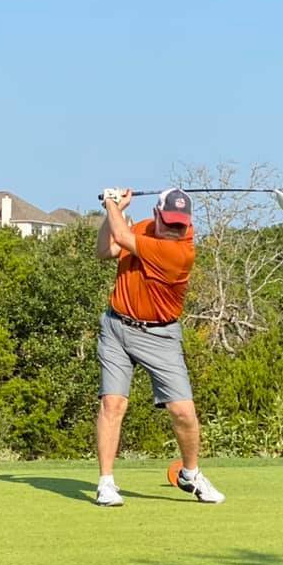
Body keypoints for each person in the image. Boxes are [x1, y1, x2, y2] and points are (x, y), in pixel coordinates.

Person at [93, 187, 225, 507]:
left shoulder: (180, 251)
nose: (175, 229)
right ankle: (106, 483)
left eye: (180, 224)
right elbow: (105, 250)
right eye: (170, 222)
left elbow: (122, 237)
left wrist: (112, 203)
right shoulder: (140, 229)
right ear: (157, 214)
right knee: (112, 404)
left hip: (160, 336)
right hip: (116, 327)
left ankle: (190, 473)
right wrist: (115, 212)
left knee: (183, 411)